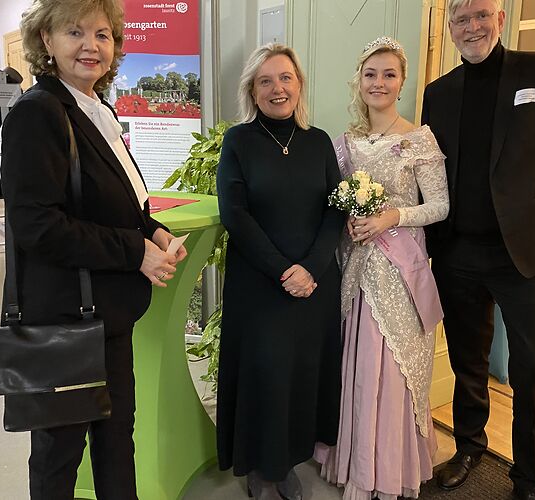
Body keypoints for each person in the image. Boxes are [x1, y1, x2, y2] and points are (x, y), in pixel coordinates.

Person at [2, 1, 187, 497]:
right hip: (64, 317)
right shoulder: (37, 113)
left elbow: (115, 202)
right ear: (47, 41)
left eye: (103, 34)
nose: (91, 46)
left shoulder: (97, 109)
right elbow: (37, 225)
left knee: (114, 440)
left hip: (107, 314)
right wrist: (135, 251)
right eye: (75, 32)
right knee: (60, 455)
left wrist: (154, 232)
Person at [420, 0, 535, 498]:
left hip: (526, 253)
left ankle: (529, 476)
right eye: (461, 19)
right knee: (466, 361)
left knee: (531, 369)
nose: (471, 26)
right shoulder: (439, 92)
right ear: (450, 28)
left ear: (500, 19)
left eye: (481, 15)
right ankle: (470, 446)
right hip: (457, 253)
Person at [312, 37, 449, 500]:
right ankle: (356, 460)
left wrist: (392, 215)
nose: (379, 82)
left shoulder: (419, 139)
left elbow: (441, 206)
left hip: (399, 270)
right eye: (371, 74)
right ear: (359, 80)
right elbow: (328, 199)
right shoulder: (344, 143)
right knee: (357, 357)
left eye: (389, 74)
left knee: (387, 362)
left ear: (402, 81)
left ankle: (388, 467)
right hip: (354, 264)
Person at [216, 43, 345, 500]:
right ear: (252, 89)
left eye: (285, 78)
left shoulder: (319, 141)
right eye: (266, 80)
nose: (277, 88)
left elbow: (335, 212)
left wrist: (309, 269)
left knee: (301, 373)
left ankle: (287, 459)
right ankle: (258, 463)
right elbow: (235, 214)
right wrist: (282, 271)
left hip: (314, 283)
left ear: (299, 84)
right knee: (263, 372)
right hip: (259, 282)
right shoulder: (239, 141)